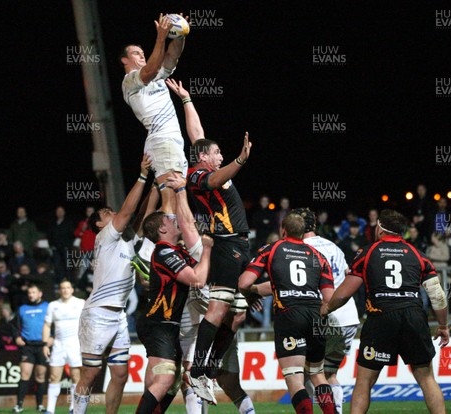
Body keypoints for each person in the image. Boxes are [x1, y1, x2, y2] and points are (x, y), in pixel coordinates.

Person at [165, 77, 253, 402]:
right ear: (204, 158)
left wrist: (187, 99)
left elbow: (197, 134)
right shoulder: (199, 175)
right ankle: (198, 370)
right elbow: (216, 175)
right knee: (217, 310)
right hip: (226, 244)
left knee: (238, 312)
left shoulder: (203, 162)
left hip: (240, 245)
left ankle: (209, 367)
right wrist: (240, 161)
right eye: (216, 152)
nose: (221, 154)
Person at [321, 209, 449, 414]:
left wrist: (327, 308)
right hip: (413, 317)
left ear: (380, 228)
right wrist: (443, 326)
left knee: (364, 382)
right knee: (426, 379)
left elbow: (344, 293)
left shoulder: (367, 252)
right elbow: (437, 296)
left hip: (381, 318)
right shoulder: (418, 254)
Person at [166, 174, 255, 413]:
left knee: (230, 382)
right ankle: (199, 372)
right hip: (197, 328)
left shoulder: (206, 247)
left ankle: (206, 370)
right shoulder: (186, 255)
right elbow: (184, 219)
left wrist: (252, 293)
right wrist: (179, 191)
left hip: (221, 328)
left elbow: (186, 219)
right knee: (181, 381)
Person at [73, 155, 151, 414]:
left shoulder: (126, 241)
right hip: (97, 314)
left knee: (120, 374)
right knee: (91, 373)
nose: (112, 211)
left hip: (117, 316)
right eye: (106, 213)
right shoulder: (105, 237)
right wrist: (141, 175)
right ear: (98, 224)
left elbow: (143, 214)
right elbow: (129, 211)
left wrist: (157, 184)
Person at [239, 213, 336, 414]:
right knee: (318, 375)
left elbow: (244, 283)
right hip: (315, 315)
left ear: (283, 230)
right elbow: (329, 298)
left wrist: (250, 294)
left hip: (289, 315)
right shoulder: (318, 256)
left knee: (295, 377)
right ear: (303, 232)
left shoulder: (272, 249)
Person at [135, 183, 213, 414]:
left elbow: (203, 270)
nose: (174, 219)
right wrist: (207, 249)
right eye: (169, 219)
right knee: (165, 380)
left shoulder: (175, 252)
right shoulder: (165, 251)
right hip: (158, 323)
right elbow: (197, 278)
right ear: (161, 229)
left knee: (169, 383)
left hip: (168, 326)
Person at [120, 14, 188, 214]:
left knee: (173, 198)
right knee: (171, 199)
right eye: (136, 53)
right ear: (125, 59)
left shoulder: (157, 74)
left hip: (170, 141)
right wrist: (160, 38)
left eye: (142, 52)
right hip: (162, 139)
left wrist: (180, 34)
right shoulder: (129, 81)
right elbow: (149, 71)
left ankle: (152, 240)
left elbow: (172, 56)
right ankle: (166, 244)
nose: (141, 55)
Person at [294, 208, 359, 414]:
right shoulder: (334, 246)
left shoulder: (300, 249)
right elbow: (349, 274)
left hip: (323, 315)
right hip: (348, 317)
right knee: (328, 373)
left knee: (303, 373)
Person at [42, 279, 85, 414]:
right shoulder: (53, 305)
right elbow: (47, 325)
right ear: (59, 290)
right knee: (54, 376)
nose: (65, 290)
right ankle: (50, 410)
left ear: (72, 289)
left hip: (75, 345)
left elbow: (88, 323)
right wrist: (45, 344)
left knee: (76, 376)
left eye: (68, 287)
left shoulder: (80, 303)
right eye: (63, 288)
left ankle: (73, 408)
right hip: (58, 345)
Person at [12, 284, 50, 413]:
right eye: (29, 293)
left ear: (40, 293)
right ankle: (19, 405)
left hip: (42, 347)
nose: (31, 295)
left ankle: (39, 405)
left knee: (40, 376)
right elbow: (14, 326)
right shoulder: (22, 309)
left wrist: (53, 337)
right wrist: (16, 337)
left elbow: (55, 324)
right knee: (24, 375)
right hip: (27, 347)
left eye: (33, 292)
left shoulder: (48, 307)